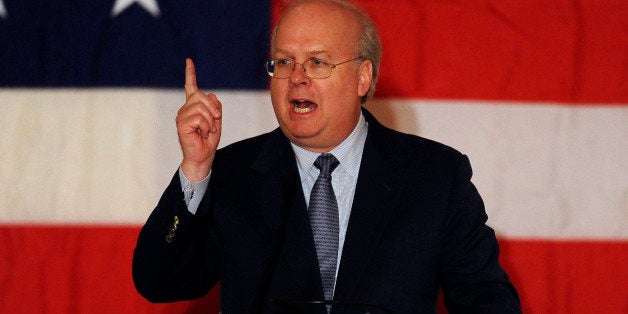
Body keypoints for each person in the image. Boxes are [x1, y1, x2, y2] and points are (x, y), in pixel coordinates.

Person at [132, 0, 521, 313]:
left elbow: (486, 300)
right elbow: (158, 281)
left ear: (362, 78)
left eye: (318, 62)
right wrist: (196, 170)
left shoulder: (434, 177)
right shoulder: (233, 174)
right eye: (284, 62)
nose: (297, 77)